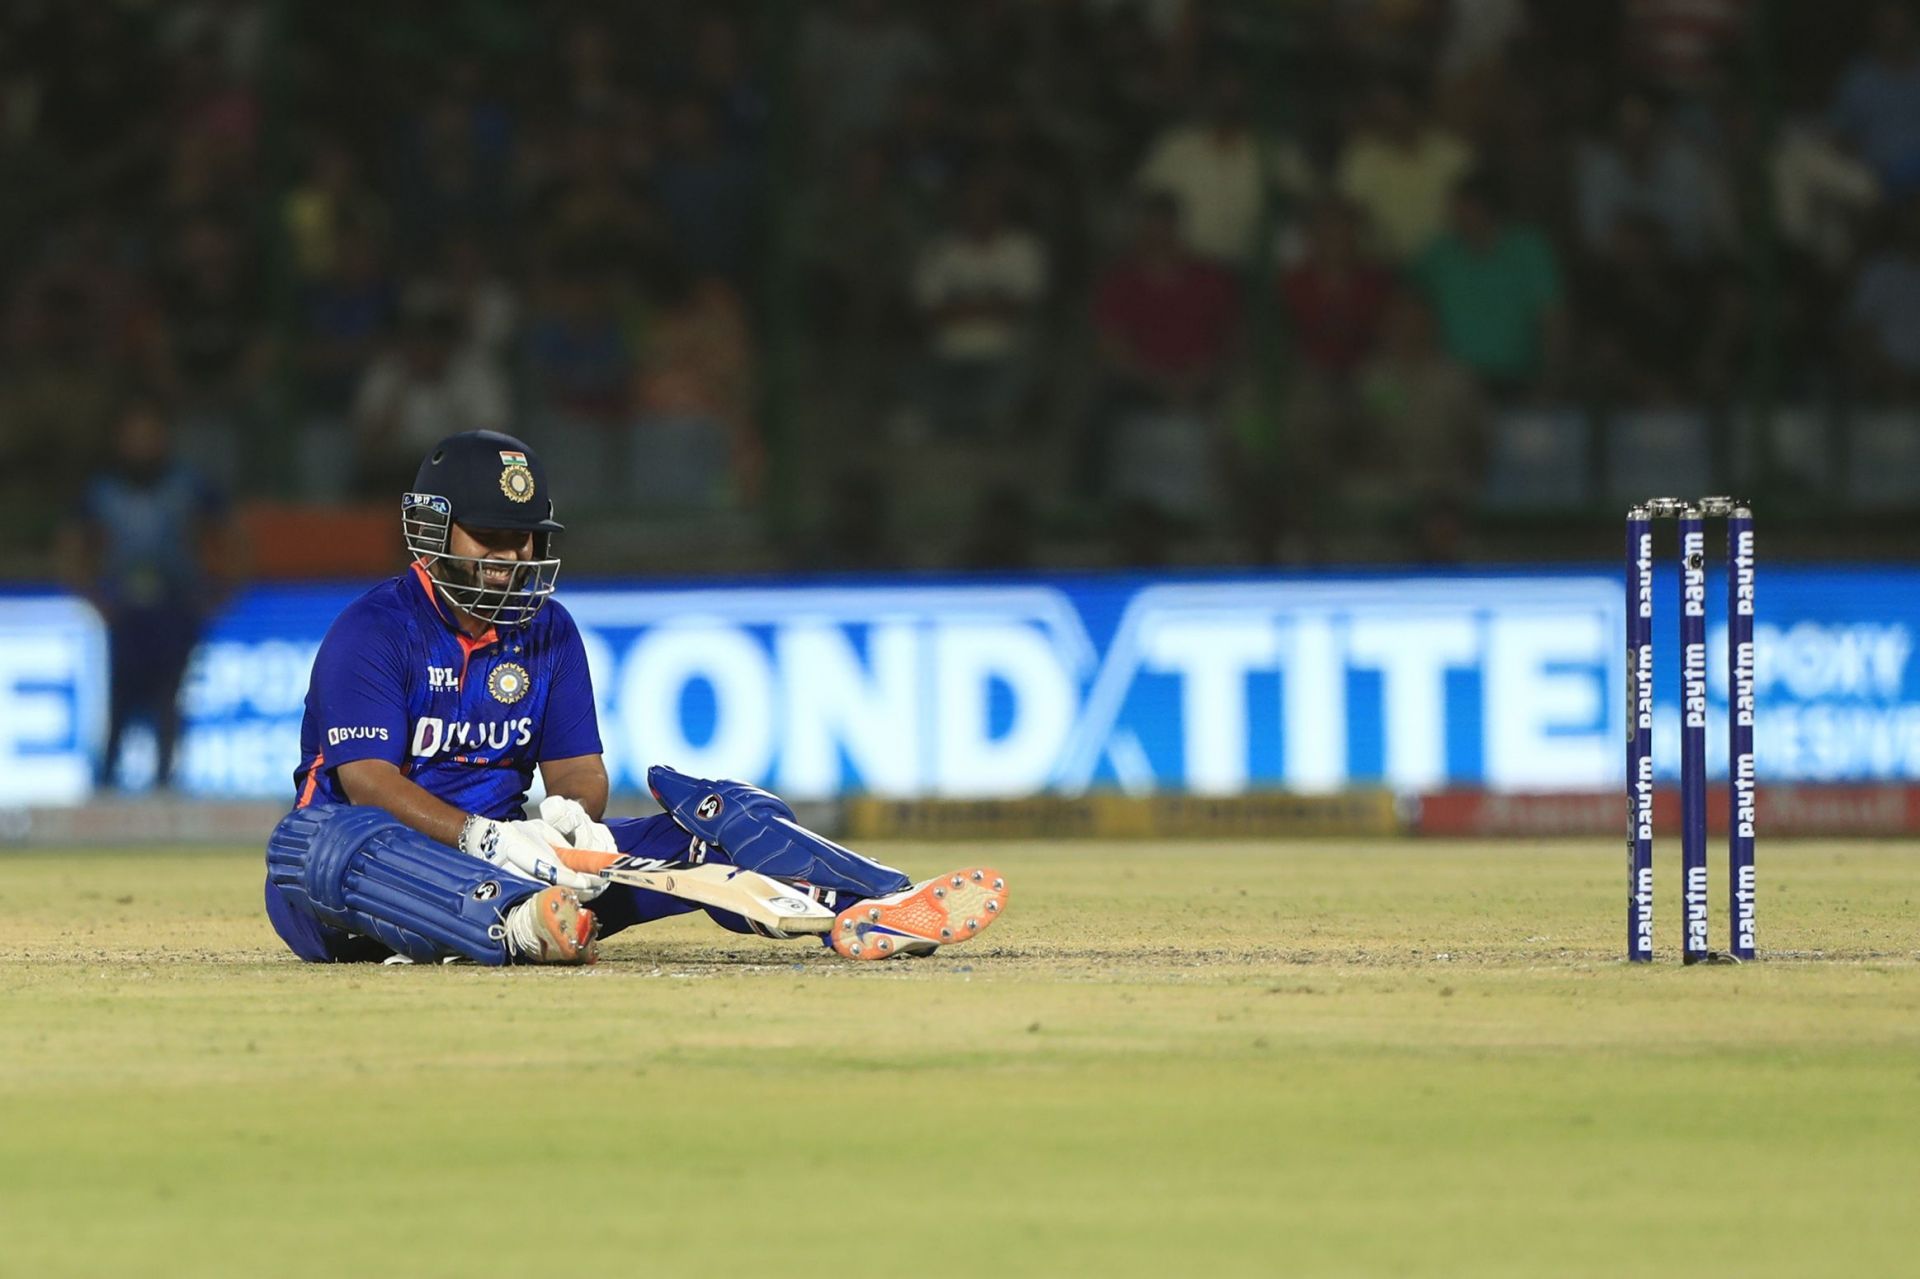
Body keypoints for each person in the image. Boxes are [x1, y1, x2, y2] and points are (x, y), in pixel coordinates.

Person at [264, 430, 1006, 966]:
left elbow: (577, 768)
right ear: (432, 531)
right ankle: (517, 927)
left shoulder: (549, 630)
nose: (510, 558)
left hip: (528, 865)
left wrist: (573, 820)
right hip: (350, 887)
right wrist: (478, 837)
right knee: (318, 840)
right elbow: (366, 782)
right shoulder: (372, 629)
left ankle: (873, 901)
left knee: (713, 815)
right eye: (489, 535)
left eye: (525, 539)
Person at [60, 396, 234, 790]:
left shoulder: (187, 484)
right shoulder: (101, 489)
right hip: (124, 608)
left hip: (174, 607)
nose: (141, 445)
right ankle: (105, 783)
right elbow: (71, 543)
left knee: (169, 699)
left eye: (149, 436)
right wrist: (90, 594)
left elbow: (231, 534)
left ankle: (165, 783)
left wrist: (222, 591)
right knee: (118, 701)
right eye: (133, 437)